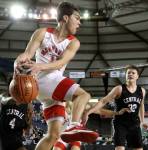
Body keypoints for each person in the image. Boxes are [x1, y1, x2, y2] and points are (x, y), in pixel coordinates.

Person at [15, 2, 98, 150]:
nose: (80, 23)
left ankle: (72, 127)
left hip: (49, 88)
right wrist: (18, 61)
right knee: (84, 95)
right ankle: (74, 126)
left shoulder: (73, 42)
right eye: (77, 18)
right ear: (65, 18)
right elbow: (27, 54)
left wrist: (39, 66)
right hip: (42, 80)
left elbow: (61, 63)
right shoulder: (42, 33)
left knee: (52, 135)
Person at [82, 65, 148, 150]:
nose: (130, 74)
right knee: (120, 148)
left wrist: (142, 122)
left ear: (137, 76)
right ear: (125, 75)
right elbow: (103, 101)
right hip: (120, 123)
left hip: (135, 124)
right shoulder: (119, 89)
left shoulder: (142, 91)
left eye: (133, 73)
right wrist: (88, 112)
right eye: (128, 73)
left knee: (138, 148)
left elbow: (141, 105)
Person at [53, 102, 129, 150]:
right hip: (62, 136)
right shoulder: (56, 107)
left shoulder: (81, 106)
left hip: (76, 136)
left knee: (75, 147)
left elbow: (100, 111)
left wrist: (117, 113)